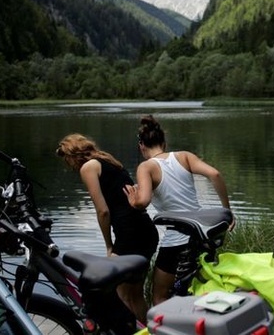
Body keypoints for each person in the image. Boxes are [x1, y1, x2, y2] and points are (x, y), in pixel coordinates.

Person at [123, 114, 234, 305]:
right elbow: (214, 174)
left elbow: (144, 201)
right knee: (201, 291)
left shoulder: (146, 167)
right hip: (202, 235)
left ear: (141, 146)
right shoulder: (184, 156)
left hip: (176, 242)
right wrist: (227, 211)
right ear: (164, 142)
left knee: (159, 297)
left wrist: (134, 202)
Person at [56, 133, 159, 324]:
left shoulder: (88, 167)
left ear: (72, 155)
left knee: (123, 296)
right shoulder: (107, 160)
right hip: (146, 230)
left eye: (67, 159)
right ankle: (152, 330)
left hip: (130, 235)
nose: (68, 165)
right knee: (135, 296)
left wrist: (109, 246)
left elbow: (103, 211)